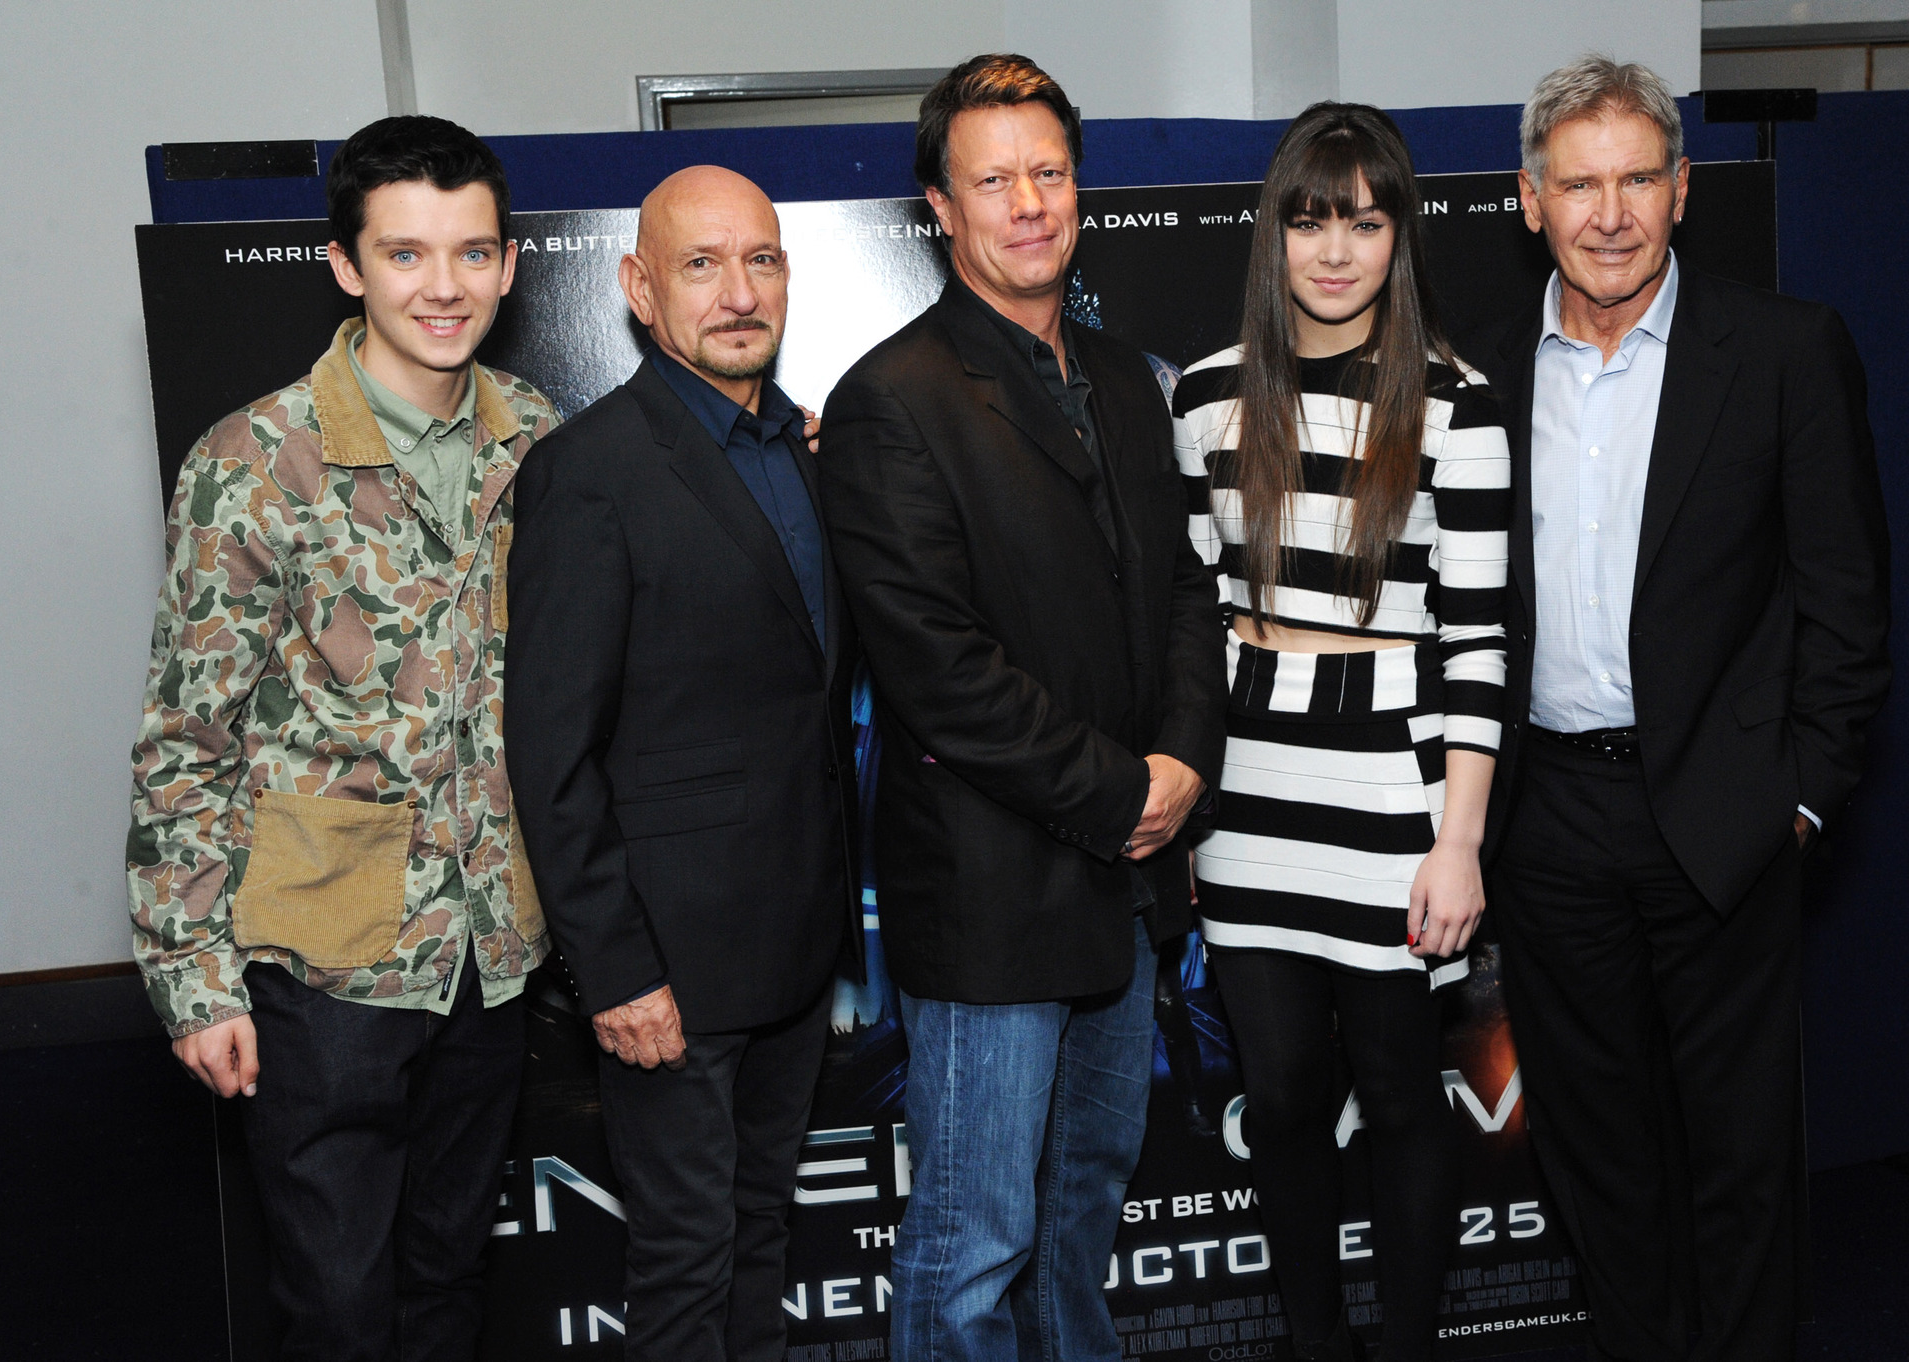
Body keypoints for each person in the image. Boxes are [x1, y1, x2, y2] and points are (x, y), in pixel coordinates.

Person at [1461, 56, 1891, 1362]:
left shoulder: (1783, 351)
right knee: (1595, 1147)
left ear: (1682, 189)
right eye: (1579, 184)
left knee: (1742, 1148)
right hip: (1546, 825)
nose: (1610, 213)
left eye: (1638, 178)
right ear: (1530, 199)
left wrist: (1799, 799)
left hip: (1724, 812)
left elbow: (1849, 607)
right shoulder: (1473, 372)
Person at [816, 53, 1226, 1362]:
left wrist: (1183, 766)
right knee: (971, 1249)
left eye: (1049, 172)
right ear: (943, 205)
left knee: (1075, 1234)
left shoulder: (1119, 376)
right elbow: (942, 670)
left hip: (1124, 894)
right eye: (995, 179)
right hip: (994, 907)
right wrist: (1127, 796)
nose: (1030, 202)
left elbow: (1178, 595)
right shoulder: (897, 399)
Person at [126, 115, 556, 1358]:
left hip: (490, 948)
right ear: (346, 265)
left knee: (447, 1286)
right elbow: (185, 738)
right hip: (322, 968)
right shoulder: (253, 462)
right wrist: (195, 980)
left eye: (471, 253)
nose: (444, 286)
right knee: (337, 1307)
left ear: (509, 266)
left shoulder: (539, 439)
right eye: (407, 253)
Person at [504, 165, 861, 1362]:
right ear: (637, 289)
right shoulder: (587, 471)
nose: (736, 291)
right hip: (665, 968)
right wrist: (613, 971)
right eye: (700, 264)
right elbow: (550, 748)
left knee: (761, 1231)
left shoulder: (811, 451)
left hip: (798, 949)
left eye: (758, 260)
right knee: (681, 1258)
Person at [1174, 102, 1510, 1361]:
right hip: (1248, 790)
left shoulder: (1456, 403)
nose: (1333, 250)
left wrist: (1460, 841)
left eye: (1363, 222)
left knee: (1399, 1102)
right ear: (1274, 233)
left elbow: (1477, 639)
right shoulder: (1207, 396)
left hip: (1390, 789)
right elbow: (1189, 618)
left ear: (1397, 237)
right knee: (1278, 1098)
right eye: (1310, 219)